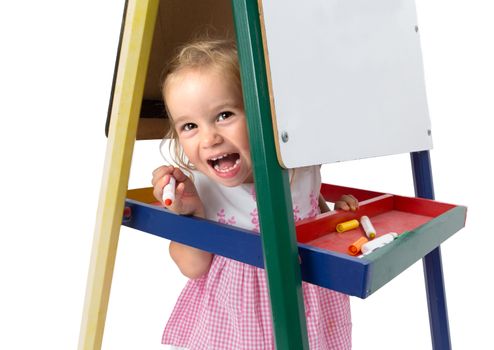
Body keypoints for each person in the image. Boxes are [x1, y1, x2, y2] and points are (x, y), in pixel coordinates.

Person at [151, 37, 358, 350]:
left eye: (224, 115)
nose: (209, 138)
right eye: (189, 126)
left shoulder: (300, 166)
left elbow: (311, 210)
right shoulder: (198, 188)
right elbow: (192, 267)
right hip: (236, 320)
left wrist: (335, 218)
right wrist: (190, 214)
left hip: (307, 305)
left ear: (265, 113)